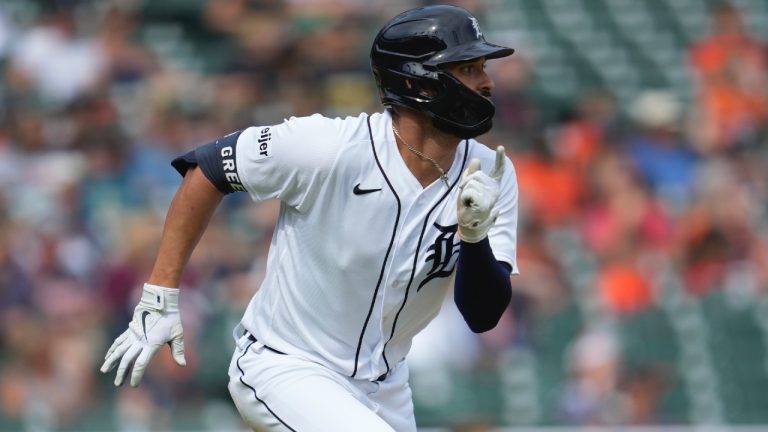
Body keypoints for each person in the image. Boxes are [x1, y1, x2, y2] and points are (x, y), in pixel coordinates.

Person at [100, 5, 520, 431]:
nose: (486, 82)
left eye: (481, 66)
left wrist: (474, 235)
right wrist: (161, 292)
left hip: (385, 384)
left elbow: (482, 314)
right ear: (416, 83)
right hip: (286, 365)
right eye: (466, 68)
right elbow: (207, 168)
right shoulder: (328, 147)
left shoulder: (491, 175)